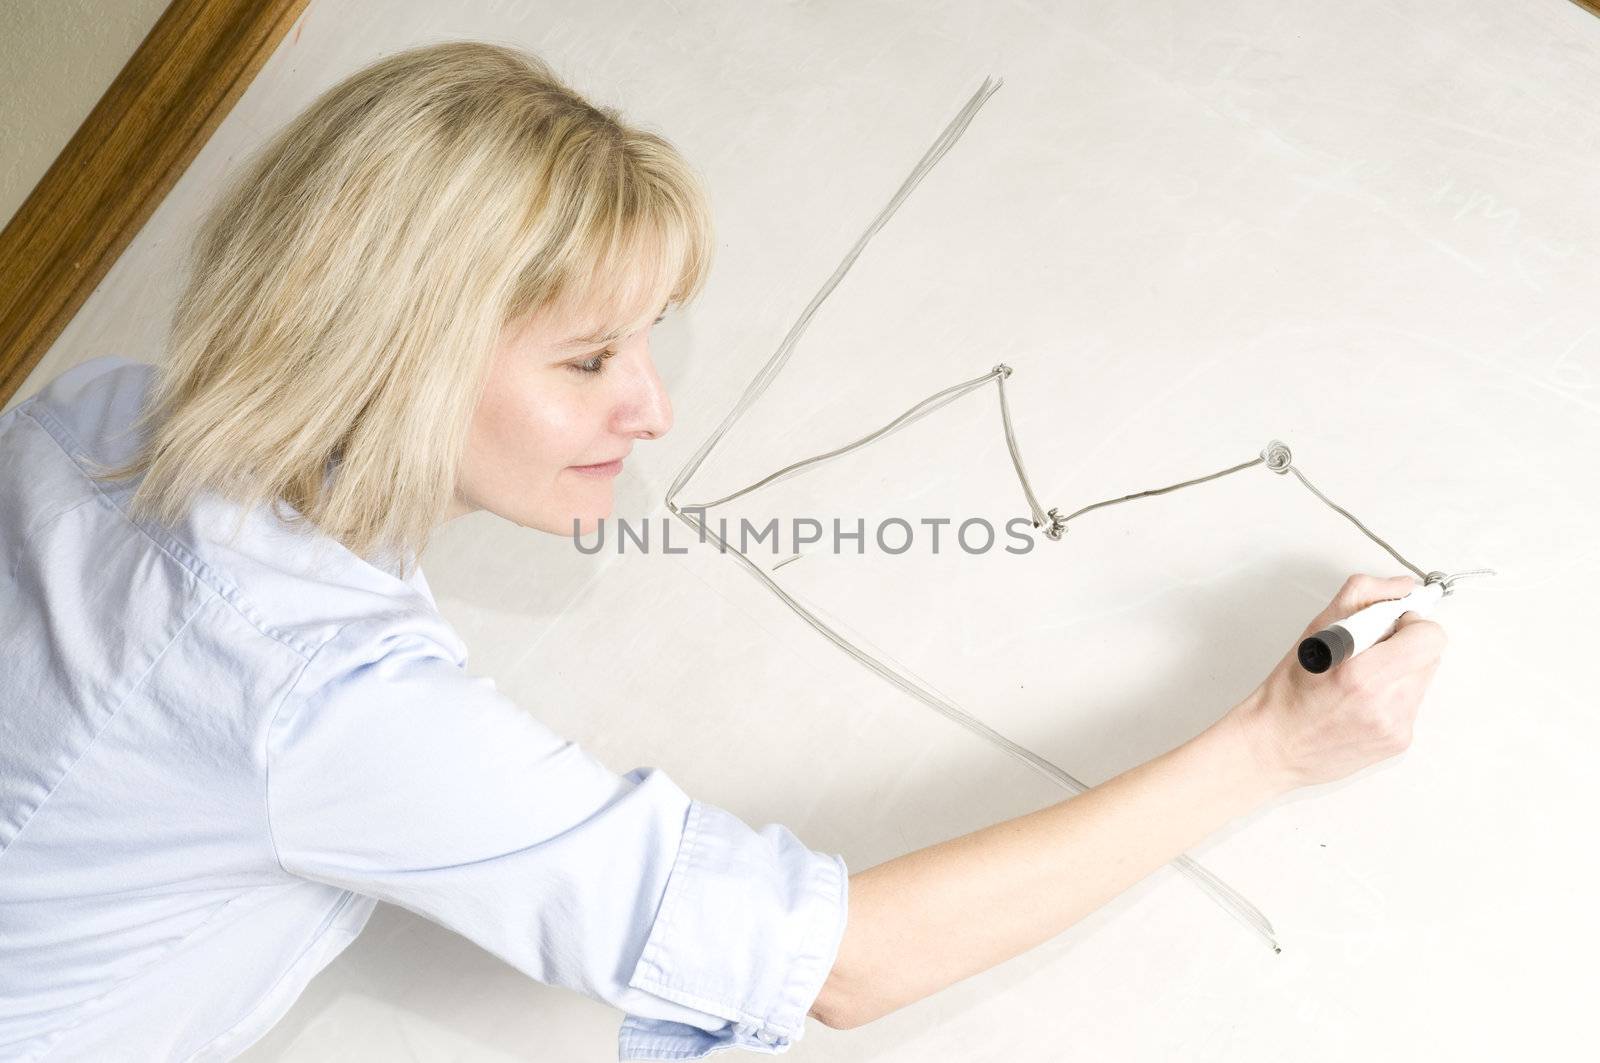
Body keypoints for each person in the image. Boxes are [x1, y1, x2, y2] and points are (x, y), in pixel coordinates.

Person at [0, 40, 1447, 1062]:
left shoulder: (98, 417)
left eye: (646, 342)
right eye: (589, 359)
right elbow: (845, 963)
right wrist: (1271, 747)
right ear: (397, 353)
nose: (652, 408)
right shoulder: (319, 699)